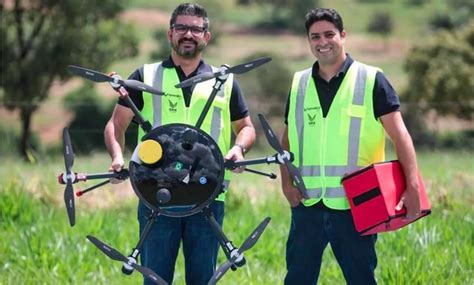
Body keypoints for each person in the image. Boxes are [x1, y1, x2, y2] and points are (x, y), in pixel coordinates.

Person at [104, 3, 256, 284]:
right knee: (156, 280)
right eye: (182, 28)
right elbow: (116, 124)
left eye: (196, 29)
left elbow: (245, 128)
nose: (188, 34)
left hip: (208, 197)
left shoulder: (225, 81)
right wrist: (116, 157)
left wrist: (238, 148)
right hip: (155, 196)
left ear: (206, 36)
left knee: (203, 280)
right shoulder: (144, 76)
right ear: (170, 34)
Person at [279, 8, 422, 285]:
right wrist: (287, 183)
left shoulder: (371, 80)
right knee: (297, 278)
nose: (323, 42)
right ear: (308, 41)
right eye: (315, 36)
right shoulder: (299, 83)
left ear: (343, 35)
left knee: (361, 278)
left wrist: (412, 186)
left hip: (358, 204)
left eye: (329, 34)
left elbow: (401, 136)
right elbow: (287, 140)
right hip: (307, 204)